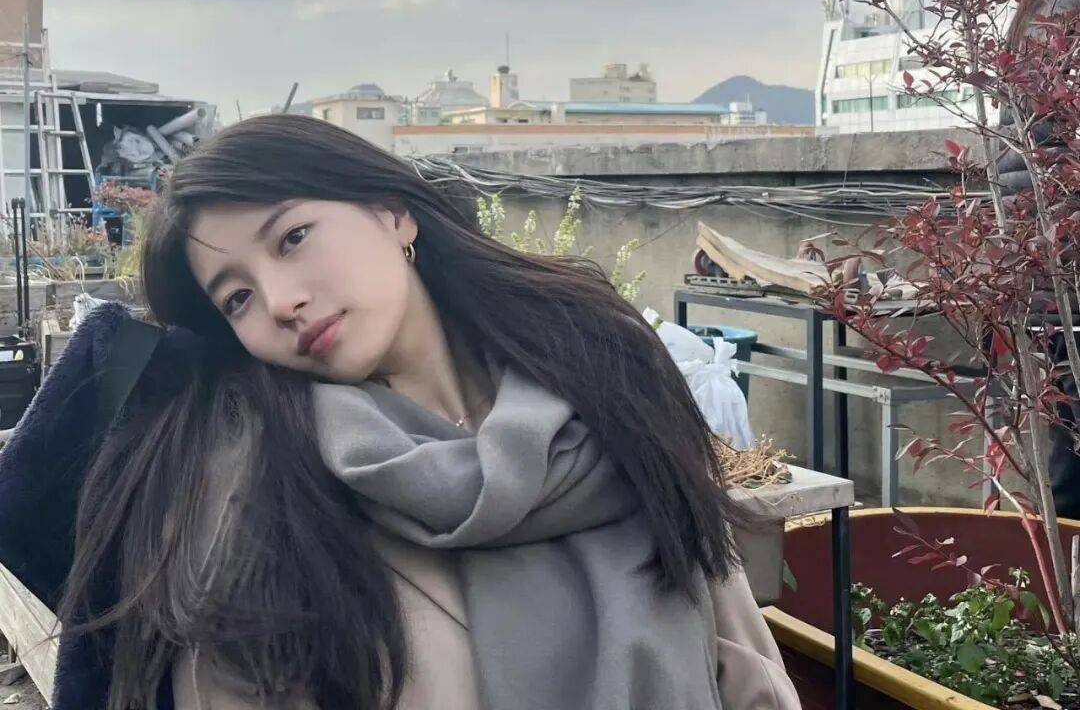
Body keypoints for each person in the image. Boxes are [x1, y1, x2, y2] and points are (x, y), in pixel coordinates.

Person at [6, 114, 801, 710]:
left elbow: (737, 647)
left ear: (393, 213)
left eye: (293, 238)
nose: (279, 301)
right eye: (237, 298)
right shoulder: (252, 497)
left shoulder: (610, 383)